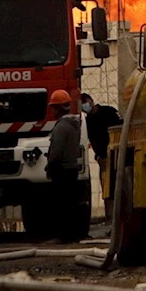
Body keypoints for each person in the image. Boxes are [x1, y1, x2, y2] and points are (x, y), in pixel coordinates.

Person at [40, 90, 84, 242]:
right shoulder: (74, 125)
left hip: (62, 170)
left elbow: (56, 151)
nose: (52, 111)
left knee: (62, 205)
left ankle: (64, 236)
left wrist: (49, 166)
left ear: (58, 108)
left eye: (53, 107)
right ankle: (73, 235)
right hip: (71, 168)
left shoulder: (61, 127)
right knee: (71, 204)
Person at [79, 93, 121, 202]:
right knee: (106, 186)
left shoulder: (109, 111)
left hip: (117, 154)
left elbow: (120, 129)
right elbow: (92, 140)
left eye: (85, 103)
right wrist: (98, 156)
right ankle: (109, 212)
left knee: (118, 183)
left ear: (91, 101)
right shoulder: (87, 122)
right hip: (103, 157)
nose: (85, 107)